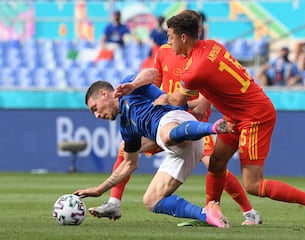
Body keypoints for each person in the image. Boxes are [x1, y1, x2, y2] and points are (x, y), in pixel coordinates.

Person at [115, 12, 305, 230]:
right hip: (237, 113)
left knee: (253, 184)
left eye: (171, 37)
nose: (168, 42)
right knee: (217, 163)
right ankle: (212, 210)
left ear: (184, 38)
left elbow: (177, 100)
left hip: (254, 115)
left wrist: (161, 98)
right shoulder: (211, 46)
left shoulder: (194, 70)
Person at [90, 9, 262, 227]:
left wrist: (205, 102)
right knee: (127, 148)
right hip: (164, 116)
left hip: (190, 118)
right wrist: (150, 96)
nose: (171, 40)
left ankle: (248, 212)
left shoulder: (202, 56)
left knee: (214, 164)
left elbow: (218, 81)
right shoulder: (164, 52)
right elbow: (154, 79)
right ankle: (114, 201)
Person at [73, 69, 233, 228]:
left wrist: (133, 84)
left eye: (95, 108)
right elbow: (129, 164)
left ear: (104, 94)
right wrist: (100, 189)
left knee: (165, 135)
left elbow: (151, 73)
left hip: (176, 120)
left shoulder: (127, 87)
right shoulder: (126, 128)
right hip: (182, 149)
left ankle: (213, 128)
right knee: (151, 200)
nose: (97, 115)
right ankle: (207, 214)